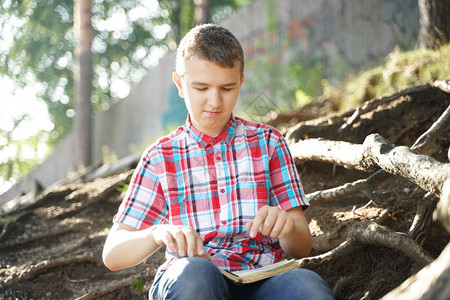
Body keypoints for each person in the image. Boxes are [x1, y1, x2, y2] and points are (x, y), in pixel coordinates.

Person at [102, 24, 335, 300]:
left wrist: (285, 225)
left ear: (241, 82)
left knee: (306, 287)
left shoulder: (269, 143)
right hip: (194, 282)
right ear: (180, 84)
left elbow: (301, 247)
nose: (214, 101)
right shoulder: (160, 157)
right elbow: (113, 253)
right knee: (196, 276)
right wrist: (157, 233)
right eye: (201, 88)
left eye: (227, 88)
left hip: (265, 279)